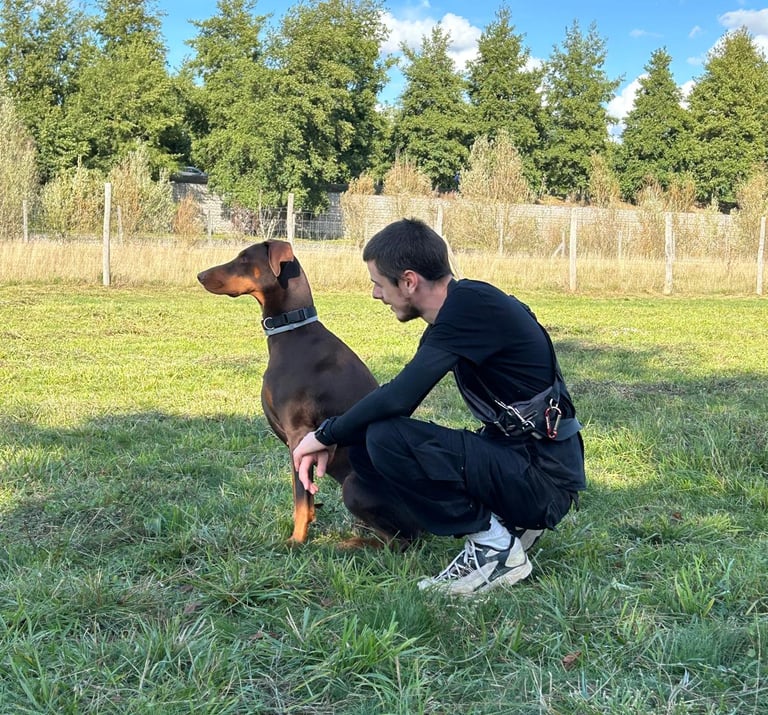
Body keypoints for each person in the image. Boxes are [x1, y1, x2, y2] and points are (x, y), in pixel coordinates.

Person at [292, 218, 586, 596]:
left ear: (409, 281)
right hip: (527, 464)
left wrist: (322, 434)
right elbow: (395, 398)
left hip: (544, 479)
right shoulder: (462, 310)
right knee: (369, 445)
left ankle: (494, 546)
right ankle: (505, 526)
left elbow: (400, 397)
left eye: (379, 284)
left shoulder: (471, 309)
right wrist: (338, 437)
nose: (375, 295)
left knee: (384, 437)